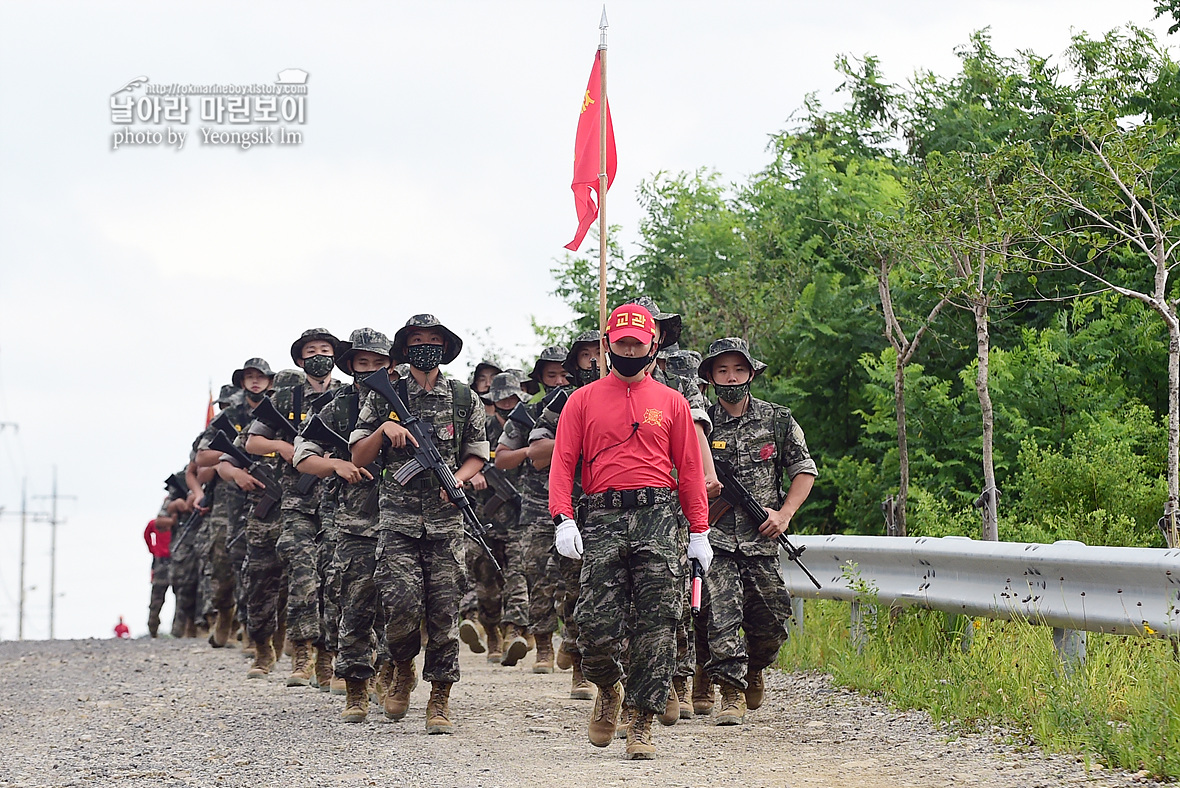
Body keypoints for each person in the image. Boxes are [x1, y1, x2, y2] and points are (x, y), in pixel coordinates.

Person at [549, 302, 712, 760]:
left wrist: (698, 531)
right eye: (620, 342)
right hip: (601, 517)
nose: (629, 350)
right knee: (596, 627)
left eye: (637, 343)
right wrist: (563, 516)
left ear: (652, 346)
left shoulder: (672, 402)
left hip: (658, 518)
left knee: (658, 624)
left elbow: (690, 470)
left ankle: (641, 721)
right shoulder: (581, 401)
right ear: (607, 345)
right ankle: (607, 687)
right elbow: (563, 462)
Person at [350, 314, 489, 734]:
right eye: (416, 340)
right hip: (397, 521)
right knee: (400, 606)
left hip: (446, 524)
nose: (425, 346)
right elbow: (358, 456)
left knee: (445, 614)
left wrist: (458, 482)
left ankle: (440, 698)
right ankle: (400, 664)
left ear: (445, 349)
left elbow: (477, 454)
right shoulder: (383, 394)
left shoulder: (465, 398)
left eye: (433, 340)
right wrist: (386, 428)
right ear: (405, 349)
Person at [697, 337, 817, 724]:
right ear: (712, 378)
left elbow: (804, 470)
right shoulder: (700, 425)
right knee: (722, 614)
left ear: (751, 373)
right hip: (714, 538)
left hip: (761, 537)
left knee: (771, 619)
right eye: (722, 370)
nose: (730, 377)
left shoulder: (777, 419)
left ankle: (754, 669)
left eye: (737, 369)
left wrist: (784, 514)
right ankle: (729, 691)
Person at [293, 327, 394, 722]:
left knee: (399, 605)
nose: (370, 370)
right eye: (363, 363)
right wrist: (336, 464)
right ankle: (355, 685)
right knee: (353, 602)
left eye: (379, 363)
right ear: (350, 365)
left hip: (405, 518)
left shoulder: (408, 400)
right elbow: (303, 456)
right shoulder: (338, 403)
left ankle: (389, 672)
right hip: (353, 519)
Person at [245, 329, 343, 687]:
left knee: (335, 579)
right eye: (311, 351)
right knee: (302, 575)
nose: (319, 355)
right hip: (296, 501)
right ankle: (301, 652)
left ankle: (328, 657)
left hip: (337, 502)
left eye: (325, 349)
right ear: (300, 359)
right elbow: (252, 441)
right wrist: (284, 449)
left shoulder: (348, 395)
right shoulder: (285, 398)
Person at [499, 345, 569, 670]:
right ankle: (543, 647)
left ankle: (575, 648)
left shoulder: (583, 405)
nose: (558, 380)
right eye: (550, 374)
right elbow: (502, 459)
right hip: (538, 508)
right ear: (540, 377)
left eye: (563, 373)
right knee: (538, 578)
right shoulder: (527, 413)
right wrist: (533, 451)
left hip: (580, 505)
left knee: (577, 582)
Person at [144, 513, 172, 638]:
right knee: (157, 596)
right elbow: (146, 534)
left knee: (183, 594)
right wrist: (153, 549)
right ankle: (153, 627)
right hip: (161, 560)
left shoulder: (177, 521)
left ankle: (179, 629)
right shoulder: (156, 523)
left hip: (175, 558)